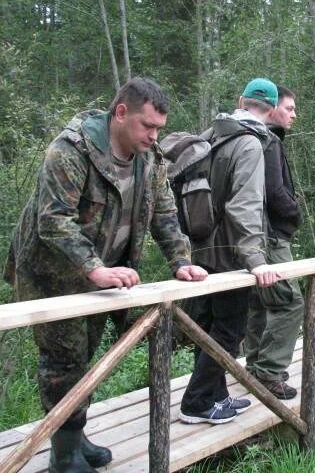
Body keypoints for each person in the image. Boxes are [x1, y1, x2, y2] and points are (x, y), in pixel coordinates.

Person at [3, 77, 208, 473]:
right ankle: (63, 454)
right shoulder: (70, 150)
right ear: (120, 113)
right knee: (63, 359)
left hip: (104, 272)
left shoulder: (151, 157)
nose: (153, 135)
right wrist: (95, 268)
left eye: (159, 129)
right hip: (51, 273)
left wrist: (181, 260)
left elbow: (164, 213)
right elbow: (53, 221)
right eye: (147, 126)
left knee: (85, 354)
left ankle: (76, 436)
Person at [179, 78, 281, 426]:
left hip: (201, 249)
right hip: (231, 255)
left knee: (207, 325)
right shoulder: (250, 144)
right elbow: (246, 204)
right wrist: (255, 258)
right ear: (272, 110)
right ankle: (195, 402)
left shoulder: (212, 135)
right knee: (228, 330)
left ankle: (216, 394)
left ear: (241, 100)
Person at [244, 86, 304, 400]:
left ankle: (254, 366)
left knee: (259, 304)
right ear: (272, 109)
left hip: (251, 237)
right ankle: (268, 372)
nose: (293, 114)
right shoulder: (267, 142)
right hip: (269, 237)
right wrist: (294, 214)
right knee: (290, 303)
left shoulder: (254, 139)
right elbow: (274, 192)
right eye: (289, 108)